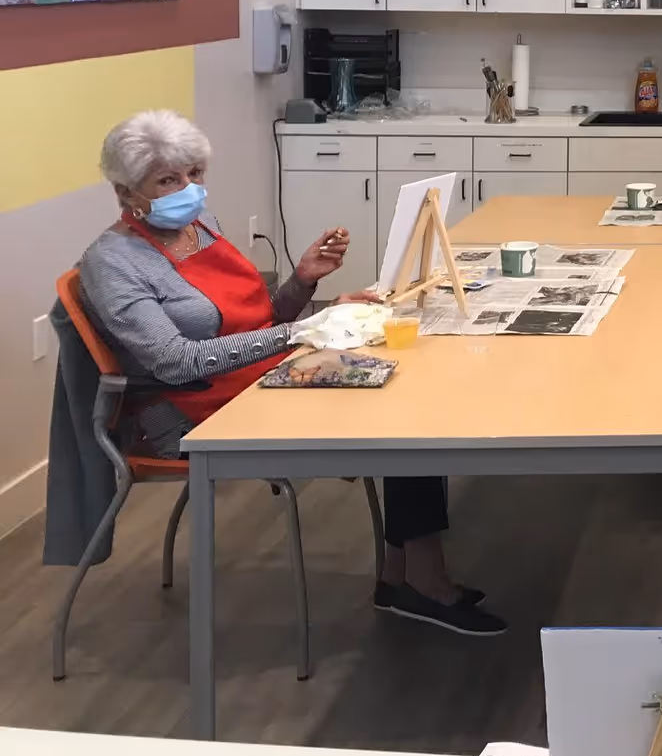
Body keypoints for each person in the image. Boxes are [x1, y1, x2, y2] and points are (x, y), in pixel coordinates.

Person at [72, 110, 504, 636]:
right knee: (401, 418)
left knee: (406, 391)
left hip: (260, 374)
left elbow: (259, 321)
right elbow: (175, 361)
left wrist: (303, 285)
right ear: (125, 192)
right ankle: (423, 582)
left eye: (195, 174)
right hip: (193, 412)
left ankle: (404, 577)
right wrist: (304, 332)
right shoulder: (112, 263)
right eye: (168, 180)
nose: (189, 189)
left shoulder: (200, 228)